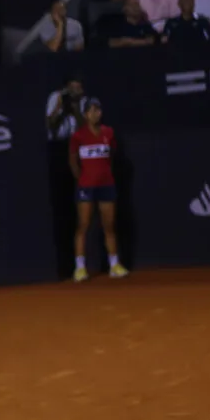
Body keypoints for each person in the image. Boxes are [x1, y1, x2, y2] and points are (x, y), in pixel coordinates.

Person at [68, 98, 129, 282]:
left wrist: (103, 175)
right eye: (91, 111)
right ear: (86, 114)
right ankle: (79, 268)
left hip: (106, 185)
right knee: (83, 225)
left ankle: (114, 265)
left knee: (109, 226)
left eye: (98, 110)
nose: (95, 113)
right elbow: (72, 161)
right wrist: (82, 179)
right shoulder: (78, 136)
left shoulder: (108, 133)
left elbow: (110, 156)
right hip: (86, 187)